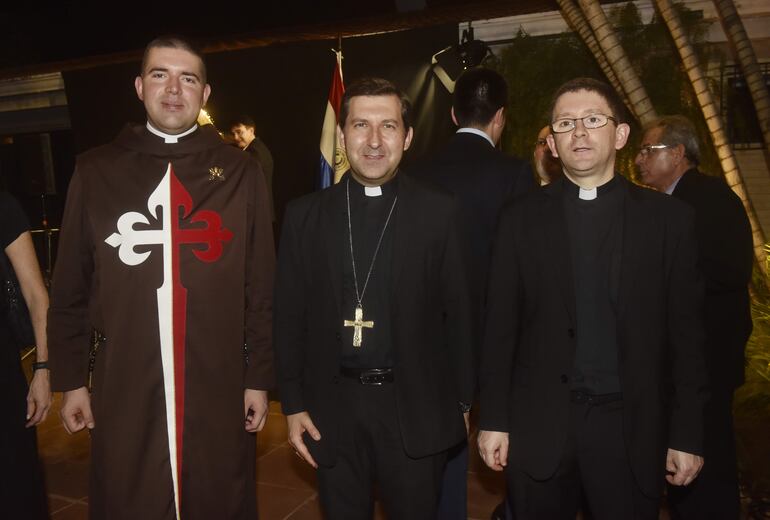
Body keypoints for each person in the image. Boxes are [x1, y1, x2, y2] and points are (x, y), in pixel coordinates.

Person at [48, 36, 275, 520]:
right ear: (138, 86)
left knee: (218, 495)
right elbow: (69, 286)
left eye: (187, 78)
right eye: (160, 75)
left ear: (205, 93)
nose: (174, 89)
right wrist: (70, 380)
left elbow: (261, 287)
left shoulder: (239, 172)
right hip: (126, 379)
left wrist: (258, 378)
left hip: (217, 379)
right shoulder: (96, 171)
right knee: (131, 495)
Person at [477, 77, 708, 519]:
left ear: (619, 135)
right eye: (565, 124)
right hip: (540, 426)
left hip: (629, 428)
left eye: (593, 120)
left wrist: (688, 435)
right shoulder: (519, 219)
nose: (579, 132)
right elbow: (499, 328)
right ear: (552, 144)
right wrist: (494, 420)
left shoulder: (669, 222)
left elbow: (689, 339)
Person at [274, 77, 474, 519]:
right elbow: (288, 315)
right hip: (333, 408)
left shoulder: (439, 210)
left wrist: (463, 403)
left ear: (408, 136)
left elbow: (459, 312)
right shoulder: (304, 215)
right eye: (361, 125)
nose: (375, 140)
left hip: (416, 407)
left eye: (388, 126)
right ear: (342, 135)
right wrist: (292, 403)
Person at [411, 67, 534, 520]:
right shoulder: (516, 174)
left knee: (446, 442)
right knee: (507, 435)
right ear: (500, 117)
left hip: (434, 332)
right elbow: (522, 264)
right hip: (499, 331)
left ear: (451, 113)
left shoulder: (418, 171)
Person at [636, 115, 752, 520]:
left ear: (678, 153)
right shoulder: (668, 202)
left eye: (648, 151)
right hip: (683, 362)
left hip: (708, 360)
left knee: (708, 460)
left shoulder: (710, 198)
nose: (639, 160)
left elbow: (732, 270)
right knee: (684, 462)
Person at [0, 191, 51, 519]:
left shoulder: (3, 205)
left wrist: (44, 369)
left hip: (2, 381)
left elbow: (36, 295)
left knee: (13, 489)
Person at [231, 115, 275, 221]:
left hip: (256, 214)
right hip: (258, 213)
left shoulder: (255, 152)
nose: (235, 137)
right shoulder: (255, 149)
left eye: (239, 132)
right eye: (233, 133)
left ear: (251, 130)